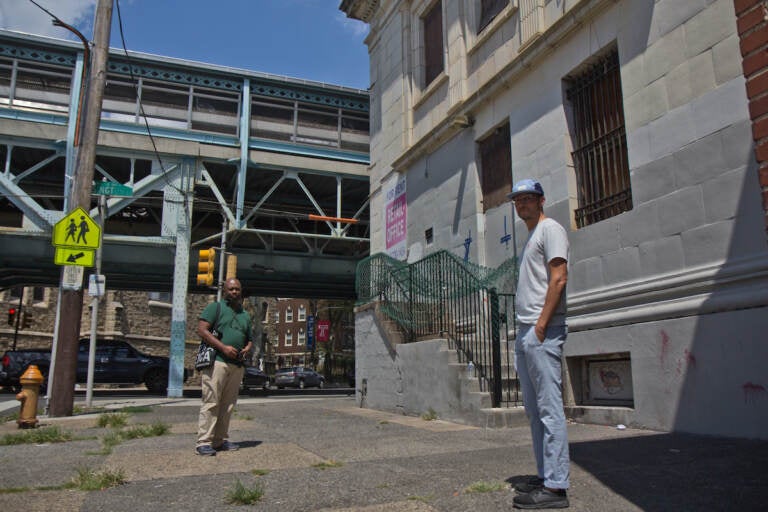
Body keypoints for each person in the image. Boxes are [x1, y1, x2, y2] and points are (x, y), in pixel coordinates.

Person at [508, 179, 570, 509]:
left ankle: (557, 488)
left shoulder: (551, 229)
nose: (522, 204)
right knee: (534, 411)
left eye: (528, 199)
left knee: (549, 409)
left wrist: (542, 325)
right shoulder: (531, 236)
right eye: (518, 200)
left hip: (541, 330)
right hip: (526, 331)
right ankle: (547, 475)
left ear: (541, 200)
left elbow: (559, 277)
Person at [195, 278, 253, 456]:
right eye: (231, 289)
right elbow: (202, 330)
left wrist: (247, 348)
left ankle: (219, 440)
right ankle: (203, 441)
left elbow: (249, 339)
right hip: (218, 361)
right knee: (212, 401)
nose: (234, 292)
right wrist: (223, 348)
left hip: (237, 365)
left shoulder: (245, 315)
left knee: (228, 405)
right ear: (225, 291)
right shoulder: (216, 308)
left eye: (237, 289)